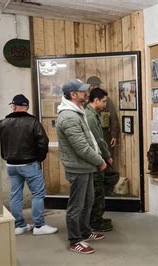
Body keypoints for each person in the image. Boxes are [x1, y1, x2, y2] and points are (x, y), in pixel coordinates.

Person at [56, 79, 107, 254]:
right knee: (76, 205)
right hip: (78, 168)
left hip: (85, 167)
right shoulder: (69, 116)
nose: (86, 94)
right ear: (73, 95)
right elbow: (82, 148)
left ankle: (85, 231)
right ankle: (75, 240)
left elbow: (88, 142)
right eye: (83, 91)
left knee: (88, 201)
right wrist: (99, 161)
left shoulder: (77, 112)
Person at [0, 94, 58, 236]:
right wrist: (39, 158)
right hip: (30, 164)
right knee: (37, 194)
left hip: (11, 165)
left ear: (13, 106)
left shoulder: (3, 123)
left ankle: (19, 225)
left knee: (15, 195)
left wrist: (5, 156)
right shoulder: (33, 122)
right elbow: (43, 142)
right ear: (27, 107)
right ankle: (39, 226)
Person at [85, 87, 113, 232]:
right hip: (95, 160)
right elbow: (98, 140)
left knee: (97, 190)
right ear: (95, 100)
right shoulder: (90, 117)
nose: (105, 104)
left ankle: (96, 218)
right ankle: (95, 221)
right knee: (97, 191)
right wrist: (107, 156)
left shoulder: (92, 114)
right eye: (103, 101)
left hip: (94, 158)